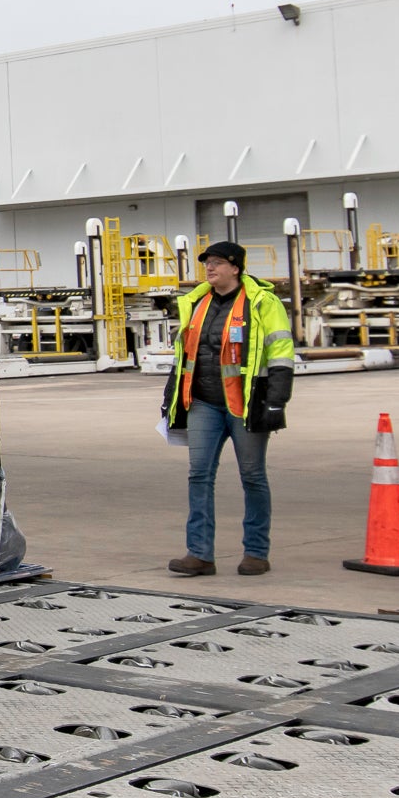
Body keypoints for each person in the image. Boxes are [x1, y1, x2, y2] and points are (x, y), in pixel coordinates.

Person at [161, 241, 295, 577]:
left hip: (245, 403)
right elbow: (185, 355)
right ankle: (200, 554)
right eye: (207, 263)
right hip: (204, 402)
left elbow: (280, 351)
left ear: (236, 268)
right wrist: (171, 394)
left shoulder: (262, 302)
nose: (210, 268)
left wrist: (277, 399)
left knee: (252, 476)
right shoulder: (197, 302)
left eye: (217, 262)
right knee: (199, 474)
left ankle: (256, 553)